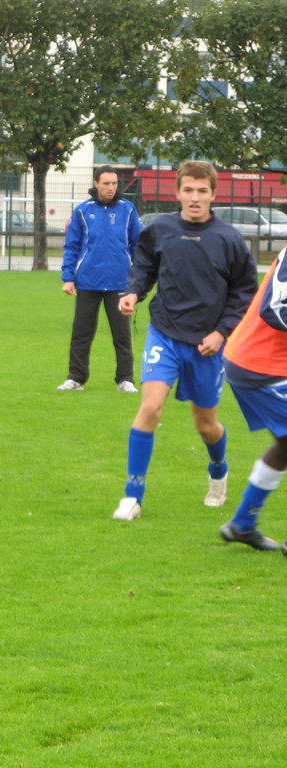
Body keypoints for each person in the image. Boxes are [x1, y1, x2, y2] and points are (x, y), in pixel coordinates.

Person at [112, 160, 256, 521]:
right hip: (164, 332)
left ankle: (219, 467)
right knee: (150, 408)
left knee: (205, 425)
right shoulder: (160, 228)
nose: (194, 198)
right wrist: (133, 292)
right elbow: (144, 266)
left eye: (202, 191)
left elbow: (244, 292)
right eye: (188, 190)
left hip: (207, 344)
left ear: (213, 194)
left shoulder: (229, 238)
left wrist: (221, 332)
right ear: (177, 192)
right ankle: (132, 496)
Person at [218, 246, 287, 550]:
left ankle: (242, 524)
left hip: (261, 362)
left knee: (285, 446)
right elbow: (275, 308)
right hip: (262, 365)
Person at [58, 165, 142, 393]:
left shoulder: (128, 210)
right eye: (106, 183)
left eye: (115, 183)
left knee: (122, 335)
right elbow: (72, 246)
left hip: (119, 283)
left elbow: (139, 247)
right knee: (81, 334)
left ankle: (125, 380)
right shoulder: (83, 211)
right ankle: (76, 378)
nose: (111, 188)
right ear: (96, 184)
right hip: (87, 282)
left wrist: (136, 281)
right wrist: (68, 277)